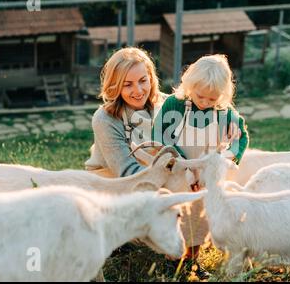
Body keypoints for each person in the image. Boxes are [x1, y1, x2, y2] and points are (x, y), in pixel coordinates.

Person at [152, 54, 249, 270]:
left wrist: (228, 158)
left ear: (222, 95)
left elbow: (240, 138)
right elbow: (158, 134)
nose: (205, 103)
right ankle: (171, 257)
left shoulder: (226, 113)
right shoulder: (174, 105)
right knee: (175, 213)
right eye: (200, 96)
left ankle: (192, 258)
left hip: (207, 176)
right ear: (189, 85)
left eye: (212, 99)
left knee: (199, 216)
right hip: (177, 169)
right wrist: (182, 163)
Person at [85, 47, 165, 177]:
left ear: (151, 79)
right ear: (115, 86)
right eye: (128, 85)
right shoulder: (105, 119)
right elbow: (127, 171)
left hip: (155, 177)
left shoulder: (166, 105)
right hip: (110, 183)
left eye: (143, 81)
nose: (138, 91)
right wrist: (172, 176)